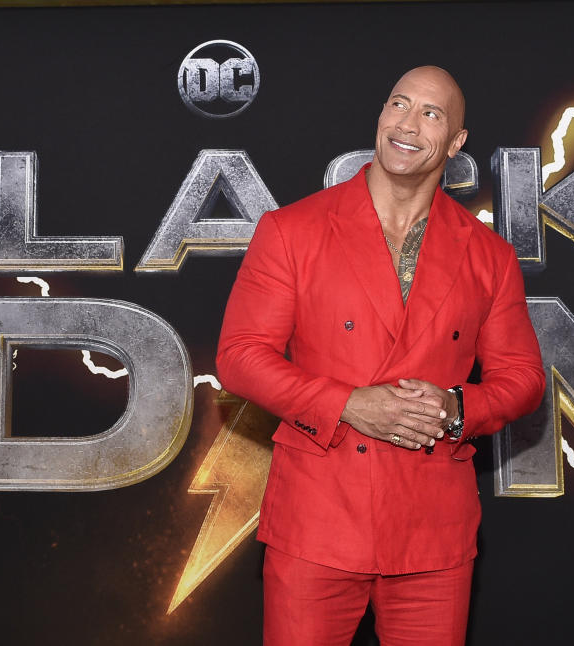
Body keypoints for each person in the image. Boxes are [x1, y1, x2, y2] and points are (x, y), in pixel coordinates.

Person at [216, 65, 545, 646]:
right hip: (317, 520)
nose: (407, 124)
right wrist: (346, 403)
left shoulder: (489, 254)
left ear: (456, 142)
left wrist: (454, 407)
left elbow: (521, 379)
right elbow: (241, 356)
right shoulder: (291, 229)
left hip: (433, 532)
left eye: (430, 114)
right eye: (399, 104)